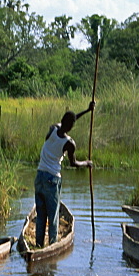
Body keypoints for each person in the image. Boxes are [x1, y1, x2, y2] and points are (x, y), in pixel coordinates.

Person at [34, 102, 95, 248]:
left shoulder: (52, 129)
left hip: (39, 176)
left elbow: (68, 121)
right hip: (52, 179)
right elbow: (73, 163)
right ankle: (52, 247)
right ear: (72, 126)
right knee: (53, 216)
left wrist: (87, 110)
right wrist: (86, 163)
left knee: (41, 216)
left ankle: (38, 244)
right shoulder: (69, 143)